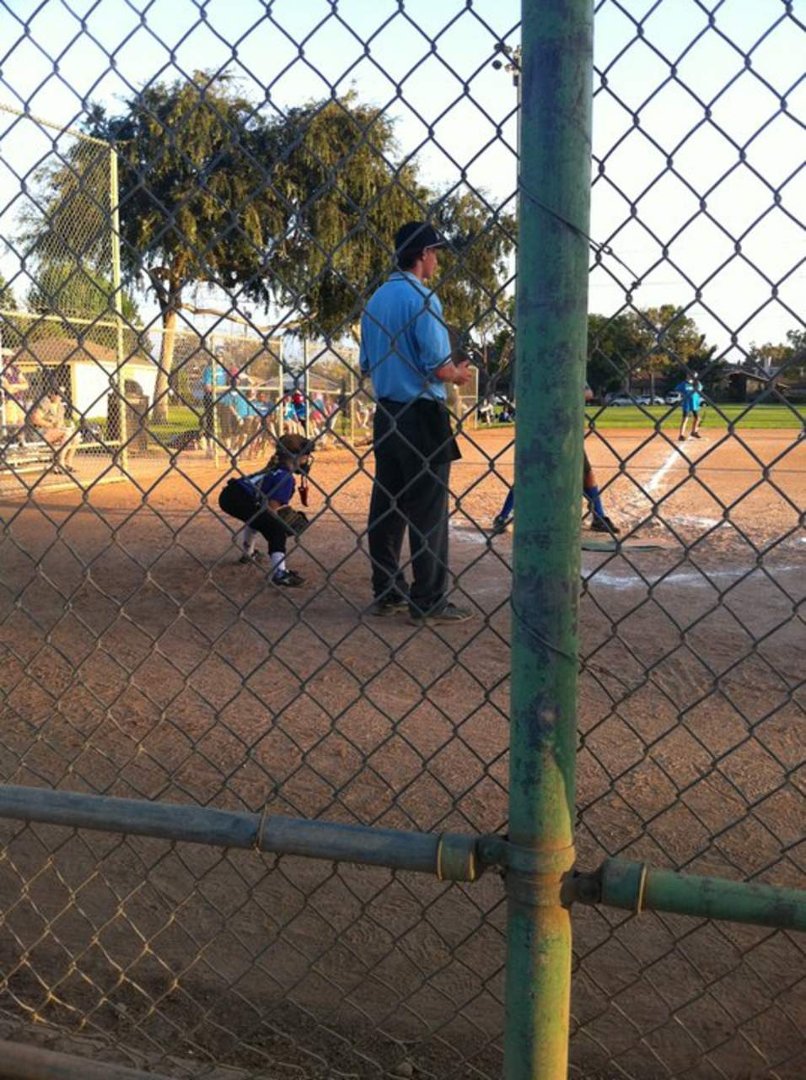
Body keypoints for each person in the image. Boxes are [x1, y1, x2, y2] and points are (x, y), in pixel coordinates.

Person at [360, 220, 474, 625]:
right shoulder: (422, 298)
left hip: (387, 415)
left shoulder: (376, 300)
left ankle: (387, 590)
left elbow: (367, 364)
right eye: (435, 252)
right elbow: (438, 368)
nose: (437, 260)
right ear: (423, 254)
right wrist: (458, 374)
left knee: (387, 506)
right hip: (422, 414)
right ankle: (428, 600)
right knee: (428, 511)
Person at [217, 433, 313, 588]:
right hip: (239, 498)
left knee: (257, 517)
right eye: (306, 456)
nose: (307, 460)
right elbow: (270, 508)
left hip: (231, 495)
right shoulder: (286, 478)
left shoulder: (275, 469)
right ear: (295, 457)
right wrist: (279, 525)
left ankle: (248, 554)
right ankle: (280, 573)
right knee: (276, 529)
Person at [491, 450, 621, 537]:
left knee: (588, 476)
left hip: (569, 433)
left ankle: (599, 517)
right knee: (527, 473)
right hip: (540, 432)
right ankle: (503, 516)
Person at [29, 388, 78, 474]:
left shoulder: (60, 407)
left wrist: (62, 426)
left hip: (54, 432)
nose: (60, 396)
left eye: (61, 394)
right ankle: (60, 463)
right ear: (51, 394)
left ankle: (68, 463)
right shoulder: (45, 402)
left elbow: (60, 423)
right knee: (66, 434)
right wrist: (51, 425)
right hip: (41, 432)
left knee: (76, 436)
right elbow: (35, 419)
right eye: (57, 394)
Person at [1, 358, 28, 436]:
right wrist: (19, 386)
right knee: (12, 422)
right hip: (8, 400)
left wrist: (14, 386)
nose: (8, 359)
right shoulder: (1, 370)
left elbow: (26, 385)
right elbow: (8, 390)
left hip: (19, 399)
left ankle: (21, 440)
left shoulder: (15, 369)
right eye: (5, 357)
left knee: (21, 421)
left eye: (9, 357)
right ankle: (10, 439)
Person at [676, 374, 703, 440]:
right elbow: (677, 389)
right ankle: (681, 435)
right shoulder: (684, 384)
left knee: (697, 418)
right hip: (687, 403)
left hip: (695, 403)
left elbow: (700, 389)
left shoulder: (697, 383)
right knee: (685, 418)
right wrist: (682, 394)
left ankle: (694, 432)